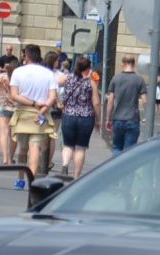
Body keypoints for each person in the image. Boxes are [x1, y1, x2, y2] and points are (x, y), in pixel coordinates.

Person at [8, 44, 59, 188]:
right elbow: (52, 96)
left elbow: (14, 95)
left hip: (23, 113)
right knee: (35, 147)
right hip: (41, 114)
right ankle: (32, 181)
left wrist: (32, 103)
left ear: (27, 56)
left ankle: (20, 180)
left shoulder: (18, 72)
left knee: (22, 150)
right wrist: (42, 110)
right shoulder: (48, 73)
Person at [60, 56, 100, 179]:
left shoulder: (68, 78)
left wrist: (59, 101)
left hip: (69, 115)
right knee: (80, 148)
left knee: (68, 146)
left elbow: (53, 83)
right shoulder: (91, 83)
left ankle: (65, 165)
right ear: (88, 68)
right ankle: (76, 176)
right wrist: (98, 120)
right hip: (86, 117)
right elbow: (96, 103)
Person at [105, 55, 147, 155]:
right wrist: (147, 116)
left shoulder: (115, 79)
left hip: (118, 119)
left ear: (123, 64)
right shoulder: (139, 79)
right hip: (133, 119)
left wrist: (108, 119)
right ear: (134, 64)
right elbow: (145, 100)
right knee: (129, 152)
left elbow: (110, 101)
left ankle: (116, 169)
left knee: (116, 148)